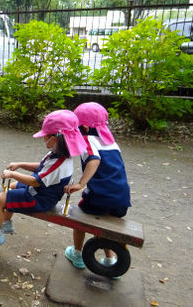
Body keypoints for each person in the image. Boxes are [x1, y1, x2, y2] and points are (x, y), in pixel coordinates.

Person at [0, 110, 87, 250]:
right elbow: (41, 167)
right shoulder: (58, 154)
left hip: (40, 198)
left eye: (45, 136)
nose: (43, 138)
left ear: (54, 139)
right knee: (14, 187)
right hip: (41, 190)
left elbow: (35, 181)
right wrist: (20, 164)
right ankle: (6, 223)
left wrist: (12, 174)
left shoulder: (59, 164)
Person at [63, 102, 131, 271]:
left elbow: (94, 160)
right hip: (121, 197)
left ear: (84, 128)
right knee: (104, 224)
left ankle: (78, 255)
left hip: (100, 196)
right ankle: (110, 260)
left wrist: (81, 183)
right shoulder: (111, 143)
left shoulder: (87, 140)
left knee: (79, 217)